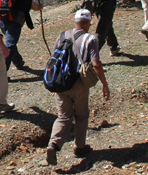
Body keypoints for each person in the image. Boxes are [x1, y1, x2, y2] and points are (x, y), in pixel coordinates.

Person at [45, 9, 110, 165]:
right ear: (87, 23)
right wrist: (104, 84)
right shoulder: (90, 39)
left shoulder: (61, 35)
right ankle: (79, 147)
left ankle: (53, 145)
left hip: (60, 83)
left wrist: (53, 84)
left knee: (63, 116)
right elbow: (95, 64)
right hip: (79, 83)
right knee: (81, 115)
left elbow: (53, 59)